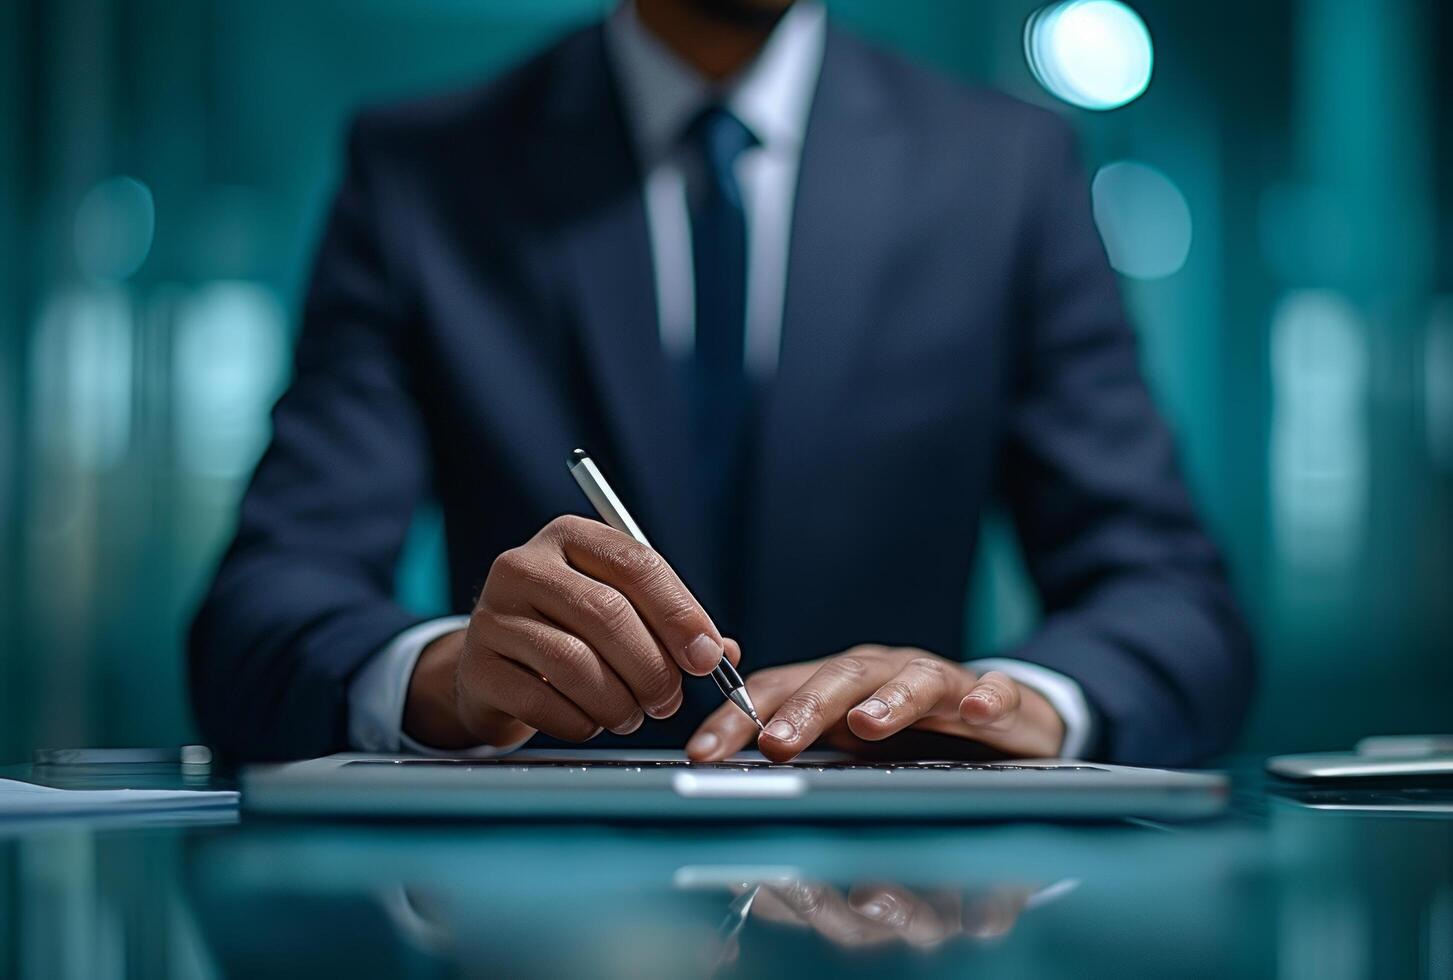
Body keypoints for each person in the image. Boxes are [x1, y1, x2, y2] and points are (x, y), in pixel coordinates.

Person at [189, 0, 1254, 766]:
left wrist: (1007, 703)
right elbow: (261, 614)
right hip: (538, 915)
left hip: (889, 916)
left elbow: (1173, 607)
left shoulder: (1004, 170)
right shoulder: (424, 172)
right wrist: (446, 677)